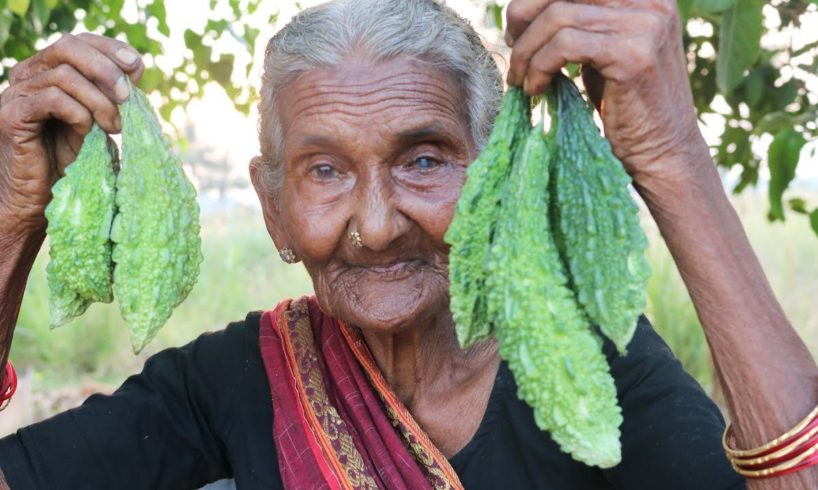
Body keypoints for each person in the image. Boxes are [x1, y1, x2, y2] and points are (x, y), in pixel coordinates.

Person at [0, 0, 815, 488]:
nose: (380, 223)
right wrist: (12, 214)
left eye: (424, 159)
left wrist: (671, 157)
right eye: (325, 170)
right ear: (274, 211)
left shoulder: (592, 367)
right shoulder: (233, 380)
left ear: (491, 181)